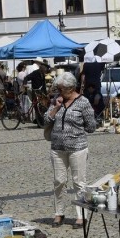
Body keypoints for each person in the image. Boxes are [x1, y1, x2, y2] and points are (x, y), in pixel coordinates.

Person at [44, 72, 97, 227]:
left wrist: (77, 128)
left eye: (62, 89)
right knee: (59, 181)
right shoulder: (56, 101)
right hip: (57, 148)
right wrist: (55, 107)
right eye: (58, 89)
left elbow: (91, 126)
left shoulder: (83, 102)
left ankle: (81, 215)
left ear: (71, 88)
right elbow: (46, 120)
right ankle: (59, 213)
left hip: (77, 148)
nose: (59, 92)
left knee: (79, 182)